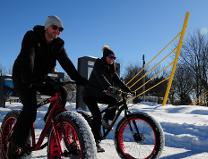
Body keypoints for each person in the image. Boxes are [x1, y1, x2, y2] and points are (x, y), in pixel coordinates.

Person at [8, 16, 88, 158]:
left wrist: (81, 80)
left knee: (61, 91)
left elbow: (67, 64)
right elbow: (29, 57)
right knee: (30, 107)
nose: (58, 31)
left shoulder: (57, 45)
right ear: (47, 27)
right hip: (22, 75)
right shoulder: (32, 36)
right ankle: (14, 144)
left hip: (40, 78)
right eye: (55, 27)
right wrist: (29, 78)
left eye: (61, 29)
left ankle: (52, 123)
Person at [83, 45, 132, 152]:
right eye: (111, 57)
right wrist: (109, 88)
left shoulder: (111, 68)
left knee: (114, 101)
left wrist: (129, 90)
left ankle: (106, 119)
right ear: (105, 57)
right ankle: (95, 142)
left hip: (99, 94)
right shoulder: (98, 65)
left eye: (114, 58)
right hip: (89, 94)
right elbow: (101, 78)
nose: (112, 59)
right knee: (96, 116)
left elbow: (118, 81)